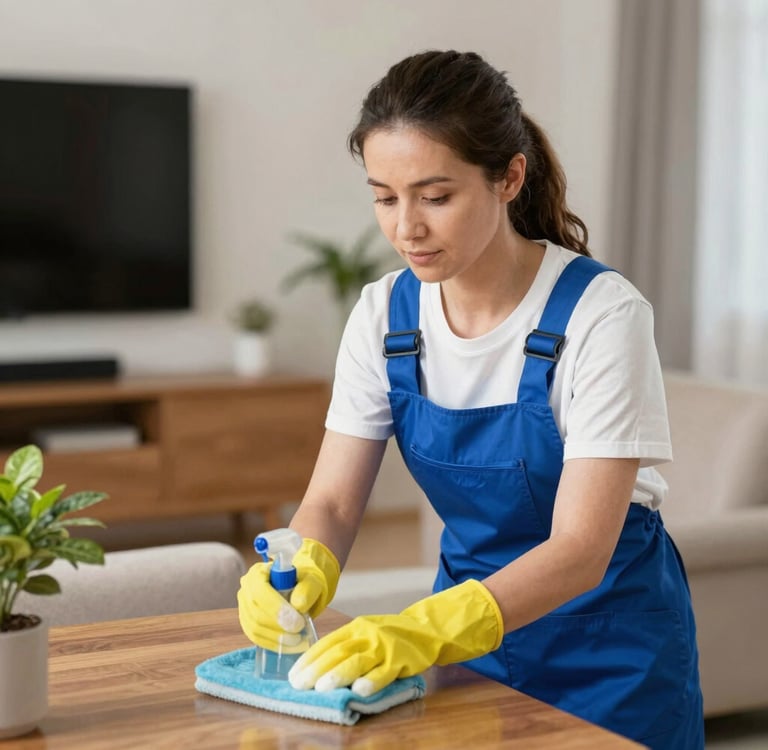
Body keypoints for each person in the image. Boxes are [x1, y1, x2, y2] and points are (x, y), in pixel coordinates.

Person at [238, 49, 704, 749]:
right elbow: (332, 503)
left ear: (509, 177)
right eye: (384, 196)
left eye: (436, 195)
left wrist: (425, 628)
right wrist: (301, 564)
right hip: (466, 652)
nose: (405, 229)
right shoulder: (383, 316)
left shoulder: (601, 315)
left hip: (611, 653)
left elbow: (580, 548)